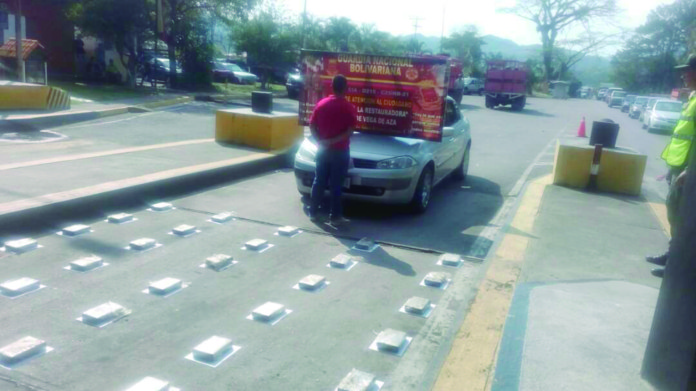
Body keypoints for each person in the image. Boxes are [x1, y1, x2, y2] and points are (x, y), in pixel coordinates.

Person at [646, 53, 696, 277]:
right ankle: (672, 256)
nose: (683, 75)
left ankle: (678, 266)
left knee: (682, 216)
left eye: (688, 70)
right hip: (680, 166)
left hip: (689, 170)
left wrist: (690, 169)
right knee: (675, 213)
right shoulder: (693, 97)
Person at [307, 74, 357, 225]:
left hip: (322, 150)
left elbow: (311, 125)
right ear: (346, 88)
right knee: (336, 184)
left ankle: (313, 213)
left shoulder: (321, 104)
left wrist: (320, 142)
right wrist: (332, 141)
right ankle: (335, 217)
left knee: (319, 181)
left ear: (332, 87)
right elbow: (349, 131)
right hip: (340, 151)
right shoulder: (349, 107)